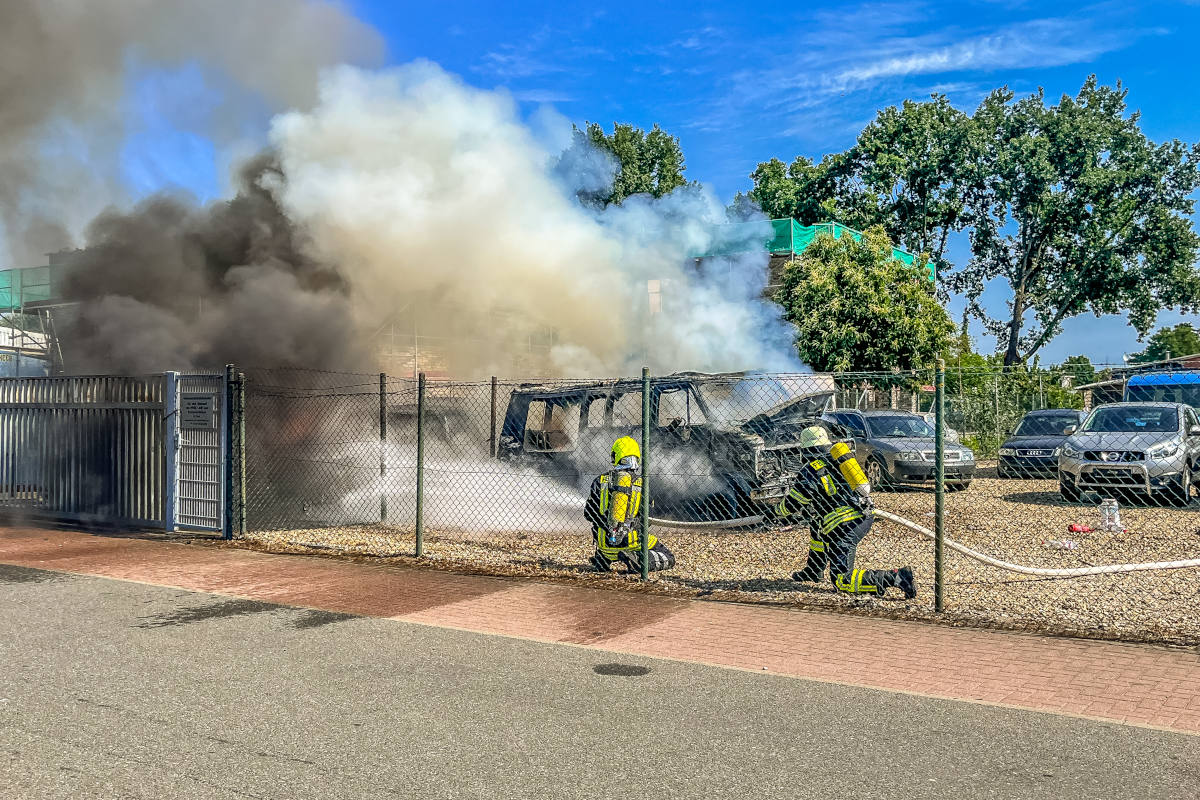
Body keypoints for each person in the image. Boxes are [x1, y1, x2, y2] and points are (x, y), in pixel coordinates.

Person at [776, 425, 916, 599]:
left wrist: (775, 511)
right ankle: (813, 571)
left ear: (804, 450)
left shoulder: (810, 470)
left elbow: (793, 503)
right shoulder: (837, 460)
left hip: (846, 525)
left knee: (843, 580)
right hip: (861, 515)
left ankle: (896, 577)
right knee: (818, 527)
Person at [584, 436, 676, 573]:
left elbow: (588, 514)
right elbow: (648, 519)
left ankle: (602, 559)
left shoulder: (600, 481)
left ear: (616, 456)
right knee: (668, 557)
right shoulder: (643, 484)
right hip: (633, 544)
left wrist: (608, 526)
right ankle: (639, 560)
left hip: (605, 544)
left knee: (606, 544)